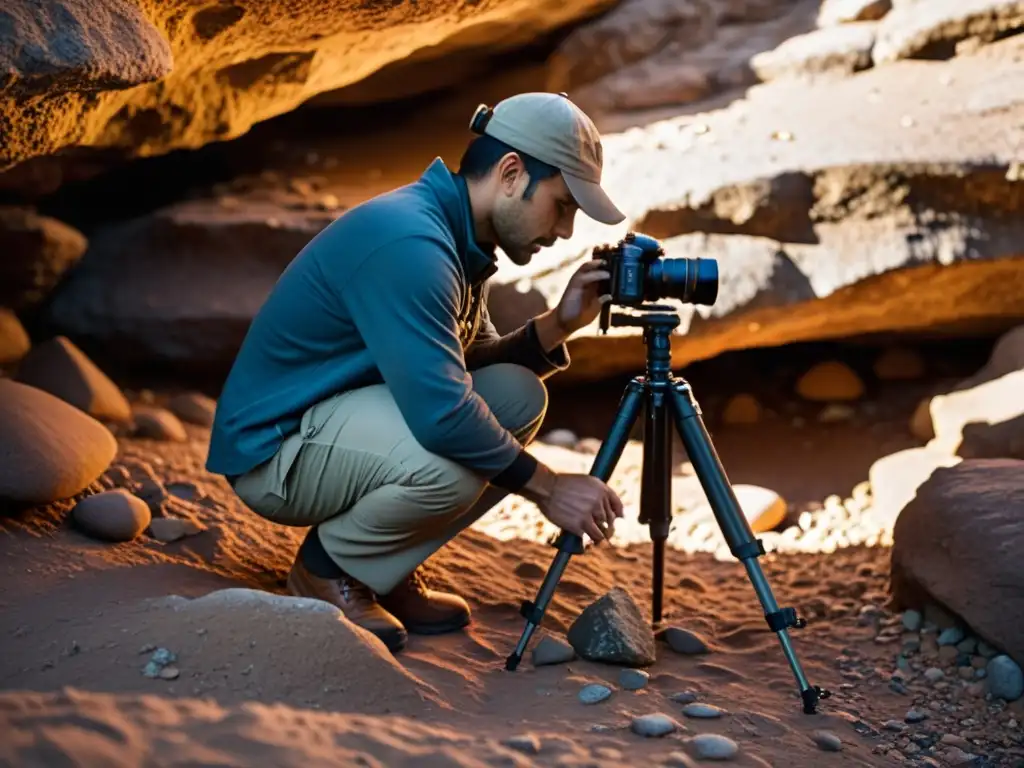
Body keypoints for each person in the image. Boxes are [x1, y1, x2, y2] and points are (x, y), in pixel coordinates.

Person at [206, 91, 627, 653]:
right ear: (510, 173)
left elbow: (466, 371)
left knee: (517, 395)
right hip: (277, 450)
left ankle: (378, 564)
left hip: (337, 421)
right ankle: (326, 569)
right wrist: (549, 488)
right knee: (449, 465)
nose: (567, 231)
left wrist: (558, 326)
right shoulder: (413, 244)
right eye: (562, 204)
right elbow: (442, 412)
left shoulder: (457, 238)